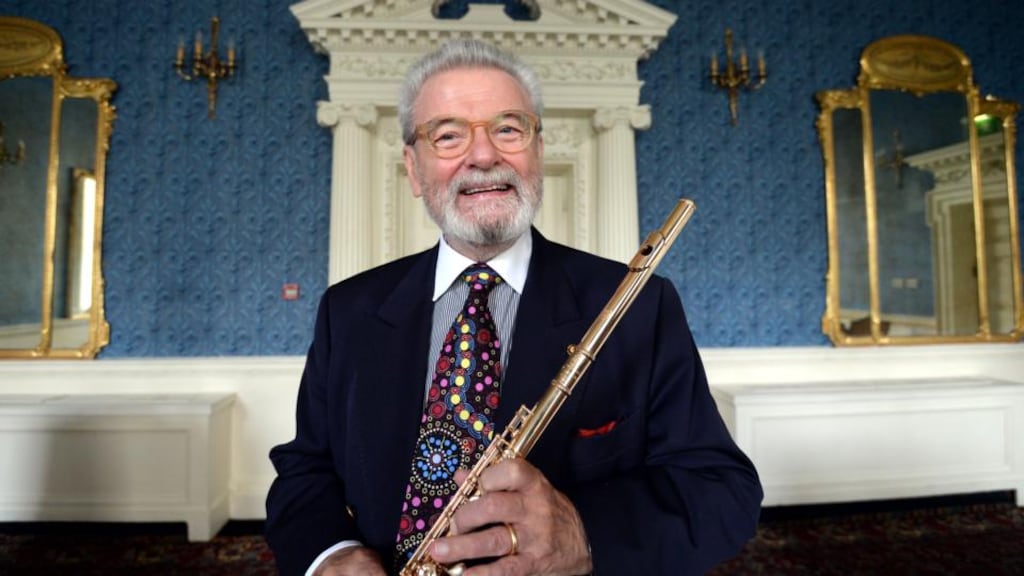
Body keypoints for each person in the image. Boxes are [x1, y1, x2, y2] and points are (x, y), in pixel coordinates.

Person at [265, 38, 762, 576]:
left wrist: (583, 535)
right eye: (448, 135)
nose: (483, 156)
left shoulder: (639, 302)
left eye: (507, 128)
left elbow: (721, 490)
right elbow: (304, 471)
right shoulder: (348, 310)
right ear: (413, 168)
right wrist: (332, 556)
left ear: (537, 152)